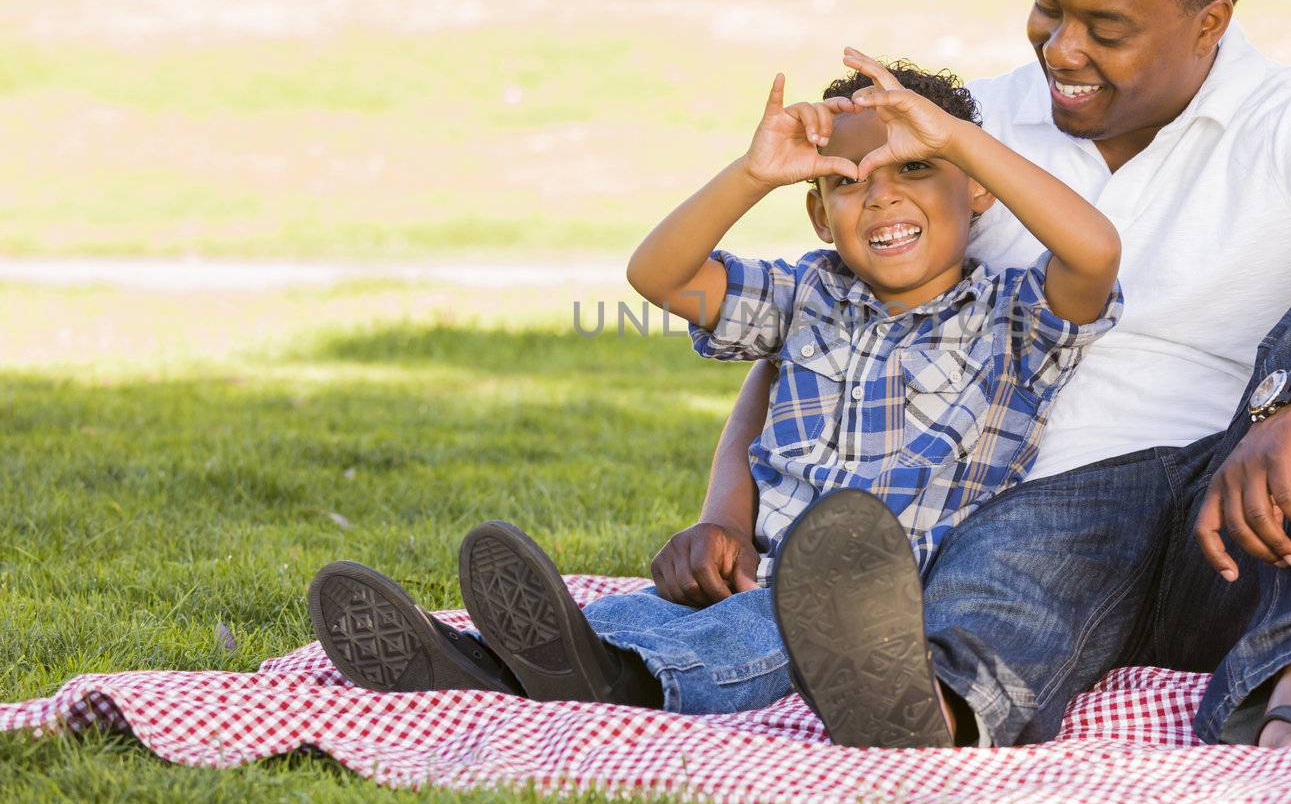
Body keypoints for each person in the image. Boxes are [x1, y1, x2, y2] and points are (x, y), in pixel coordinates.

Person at [652, 0, 1291, 753]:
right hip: (1039, 526)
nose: (1061, 47)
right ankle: (931, 708)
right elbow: (826, 326)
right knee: (1025, 556)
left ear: (1210, 22)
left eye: (1105, 25)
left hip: (1249, 531)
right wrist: (724, 514)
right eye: (1049, 5)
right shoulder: (958, 131)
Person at [306, 57, 1122, 732]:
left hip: (870, 610)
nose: (882, 197)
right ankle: (473, 665)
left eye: (916, 168)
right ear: (817, 210)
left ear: (975, 187)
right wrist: (751, 174)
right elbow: (657, 276)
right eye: (848, 181)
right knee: (643, 614)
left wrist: (963, 141)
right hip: (756, 574)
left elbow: (1094, 253)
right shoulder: (808, 294)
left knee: (754, 631)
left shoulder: (1015, 316)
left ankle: (614, 684)